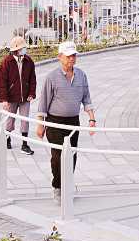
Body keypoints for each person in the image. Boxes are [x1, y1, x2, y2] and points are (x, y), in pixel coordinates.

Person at [34, 40, 97, 194]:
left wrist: (92, 118)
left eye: (74, 56)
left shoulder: (81, 75)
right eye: (68, 56)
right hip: (55, 122)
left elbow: (86, 98)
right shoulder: (52, 77)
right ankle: (58, 186)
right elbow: (43, 102)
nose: (72, 59)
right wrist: (40, 125)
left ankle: (67, 185)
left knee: (72, 155)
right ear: (60, 57)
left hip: (73, 122)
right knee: (58, 156)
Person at [0, 34, 37, 154]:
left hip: (25, 97)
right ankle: (7, 139)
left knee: (25, 120)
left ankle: (24, 144)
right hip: (11, 97)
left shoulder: (28, 61)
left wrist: (32, 93)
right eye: (22, 48)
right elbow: (2, 82)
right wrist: (4, 99)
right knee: (10, 120)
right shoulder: (6, 62)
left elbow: (32, 79)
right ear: (16, 50)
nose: (24, 49)